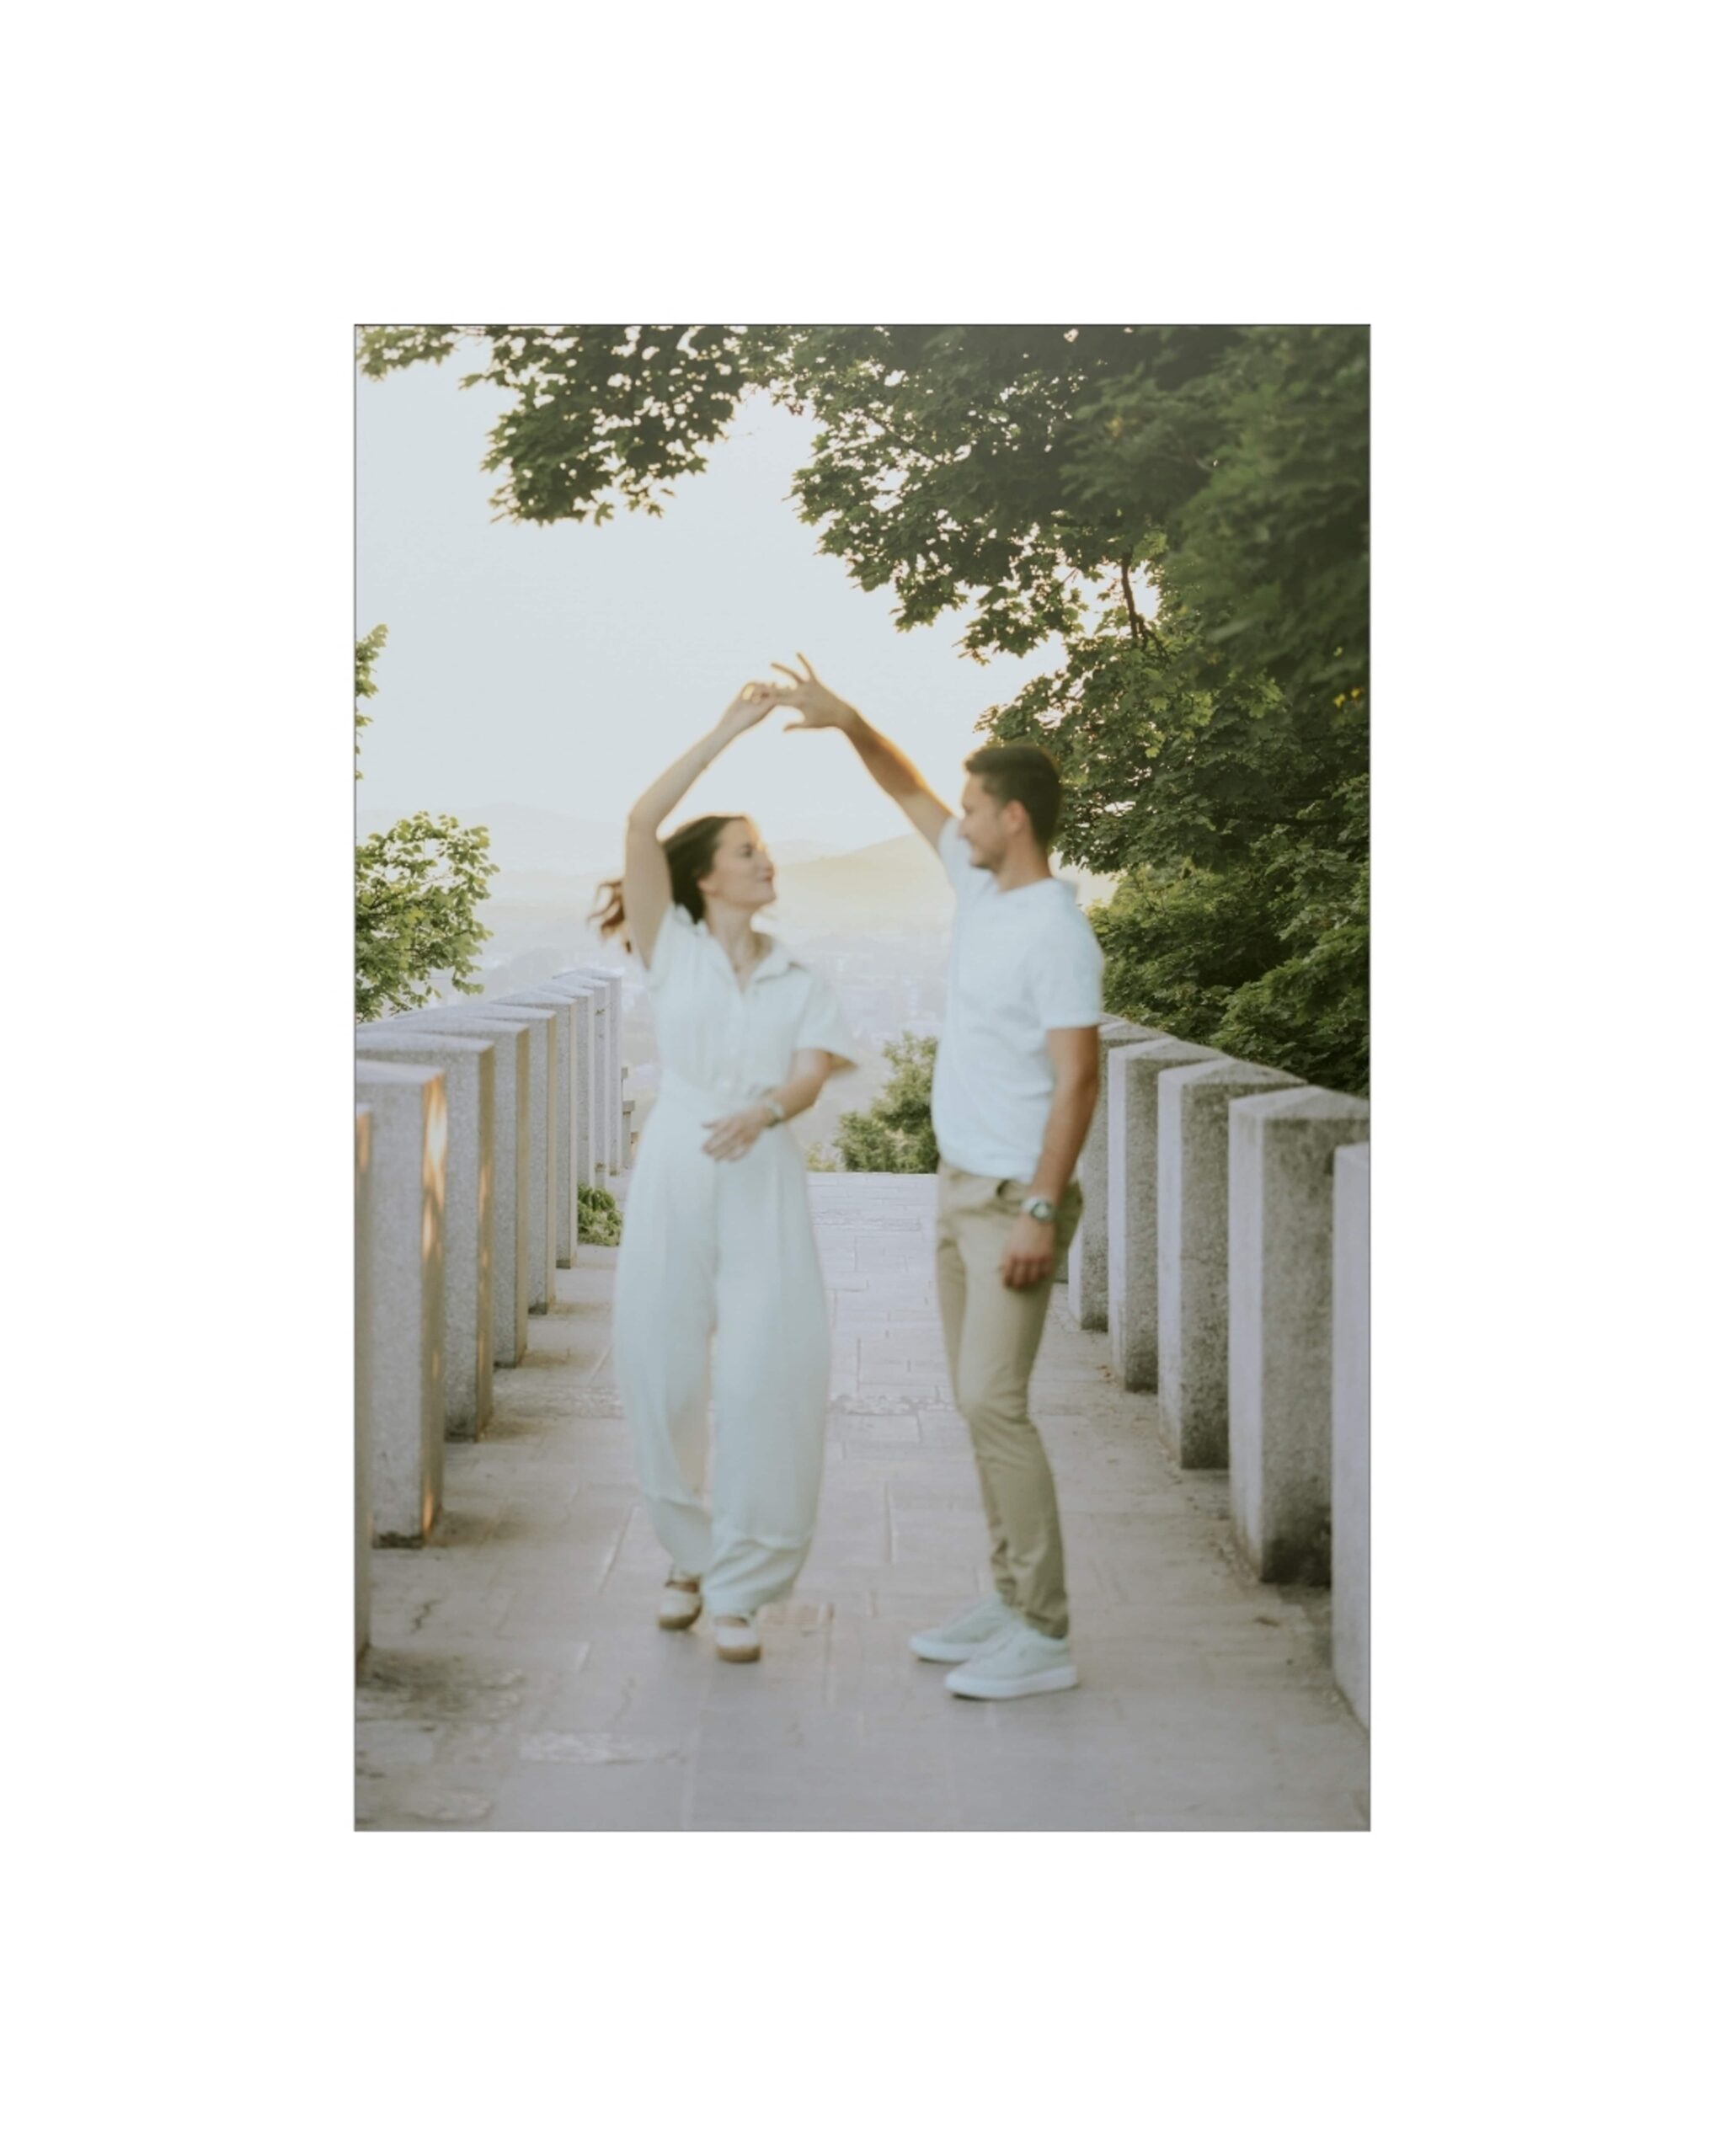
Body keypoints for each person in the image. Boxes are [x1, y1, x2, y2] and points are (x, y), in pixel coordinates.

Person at [772, 655, 1103, 1700]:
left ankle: (1042, 1632)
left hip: (1012, 1201)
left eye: (971, 808)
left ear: (1012, 818)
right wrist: (847, 720)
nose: (953, 820)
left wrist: (1040, 1209)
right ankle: (1006, 1598)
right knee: (975, 1404)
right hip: (959, 1190)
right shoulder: (978, 887)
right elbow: (903, 786)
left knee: (993, 1404)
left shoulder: (1055, 932)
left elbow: (1078, 1078)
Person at [591, 681, 861, 1666]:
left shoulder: (800, 978)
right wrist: (725, 731)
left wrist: (766, 1111)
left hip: (762, 1175)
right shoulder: (671, 949)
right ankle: (687, 1555)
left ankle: (741, 1585)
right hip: (676, 1163)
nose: (764, 861)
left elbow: (810, 1073)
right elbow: (639, 823)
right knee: (663, 1371)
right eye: (746, 850)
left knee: (764, 1380)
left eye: (764, 849)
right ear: (705, 877)